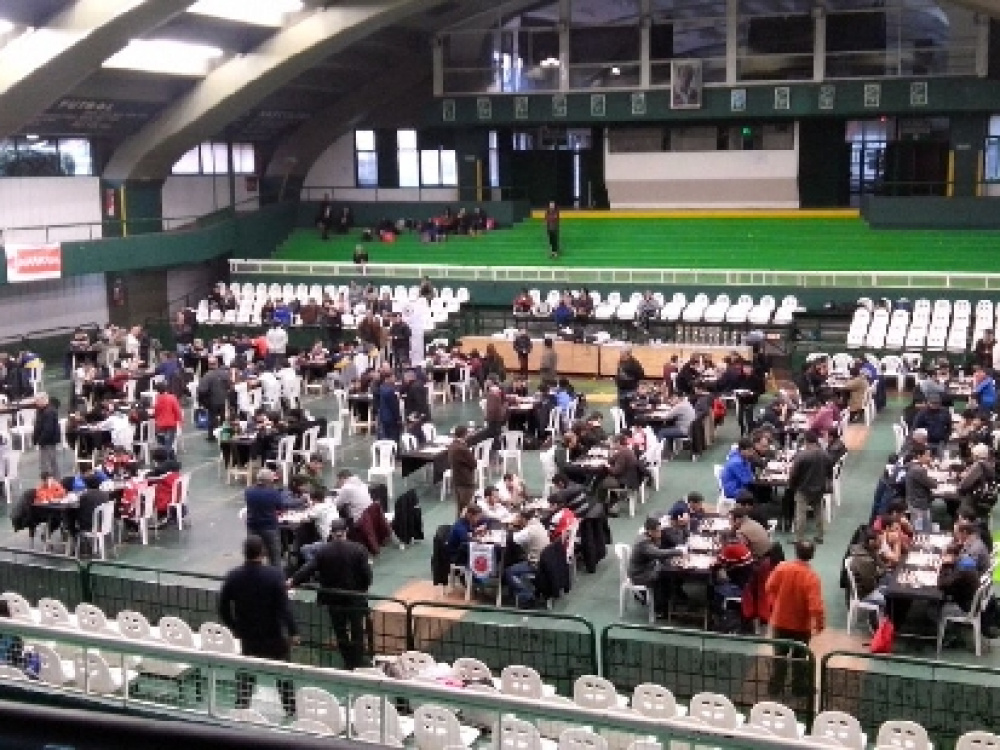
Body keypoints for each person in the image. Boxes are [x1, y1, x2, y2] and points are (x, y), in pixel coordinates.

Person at [219, 535, 299, 716]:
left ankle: (241, 707)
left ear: (244, 552)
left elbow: (223, 607)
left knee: (246, 673)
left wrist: (235, 627)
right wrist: (293, 632)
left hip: (248, 637)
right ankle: (290, 710)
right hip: (274, 636)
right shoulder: (275, 575)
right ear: (263, 552)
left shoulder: (234, 576)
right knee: (283, 674)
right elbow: (284, 607)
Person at [288, 518, 372, 669]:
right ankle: (358, 661)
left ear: (332, 533)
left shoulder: (323, 551)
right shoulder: (359, 549)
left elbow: (308, 569)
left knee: (340, 631)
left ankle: (348, 661)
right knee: (357, 629)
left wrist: (292, 581)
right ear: (346, 531)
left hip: (333, 599)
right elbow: (367, 575)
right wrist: (364, 589)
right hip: (355, 598)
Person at [766, 541, 824, 698]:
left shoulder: (782, 568)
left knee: (779, 657)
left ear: (796, 552)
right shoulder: (812, 577)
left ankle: (775, 689)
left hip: (780, 621)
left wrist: (779, 601)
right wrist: (819, 624)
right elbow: (816, 607)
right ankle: (798, 689)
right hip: (801, 626)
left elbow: (769, 587)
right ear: (812, 555)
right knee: (800, 658)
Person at [629, 517, 684, 615]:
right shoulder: (643, 542)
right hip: (640, 574)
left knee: (667, 569)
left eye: (660, 530)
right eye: (658, 531)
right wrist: (678, 551)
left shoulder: (649, 537)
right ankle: (660, 609)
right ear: (650, 531)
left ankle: (670, 598)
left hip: (646, 568)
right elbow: (658, 553)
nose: (660, 533)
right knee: (665, 575)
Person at [787, 430, 834, 544]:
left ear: (806, 441)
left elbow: (794, 474)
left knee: (801, 514)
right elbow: (830, 472)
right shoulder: (825, 454)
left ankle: (799, 538)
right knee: (819, 512)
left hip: (804, 489)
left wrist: (792, 486)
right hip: (819, 489)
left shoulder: (802, 456)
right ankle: (820, 536)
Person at [244, 468, 296, 568]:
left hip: (252, 527)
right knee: (274, 556)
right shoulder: (273, 493)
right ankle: (275, 575)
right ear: (269, 480)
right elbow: (281, 507)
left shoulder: (248, 491)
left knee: (253, 554)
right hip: (269, 528)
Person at [503, 511, 550, 608]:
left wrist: (511, 527)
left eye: (519, 518)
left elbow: (511, 539)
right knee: (518, 557)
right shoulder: (538, 524)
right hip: (544, 560)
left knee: (509, 571)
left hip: (536, 563)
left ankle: (527, 596)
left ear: (524, 519)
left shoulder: (529, 530)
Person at [905, 445, 937, 532]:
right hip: (919, 505)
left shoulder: (911, 465)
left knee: (917, 527)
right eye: (927, 455)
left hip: (913, 502)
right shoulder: (918, 470)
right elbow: (933, 485)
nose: (929, 458)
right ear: (919, 456)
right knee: (922, 530)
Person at [197, 357, 231, 440]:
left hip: (212, 401)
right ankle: (224, 436)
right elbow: (229, 386)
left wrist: (202, 401)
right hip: (223, 400)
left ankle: (211, 436)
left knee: (212, 418)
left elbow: (202, 390)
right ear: (217, 363)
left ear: (209, 365)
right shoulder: (225, 374)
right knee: (223, 419)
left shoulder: (207, 375)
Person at [448, 425, 478, 514]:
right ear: (465, 434)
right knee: (466, 509)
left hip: (456, 480)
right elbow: (474, 463)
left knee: (460, 508)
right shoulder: (462, 449)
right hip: (465, 481)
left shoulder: (452, 445)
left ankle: (459, 522)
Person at [615, 348, 645, 426]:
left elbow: (641, 375)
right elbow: (619, 372)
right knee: (621, 409)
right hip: (621, 389)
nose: (620, 354)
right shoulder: (621, 361)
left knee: (629, 409)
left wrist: (634, 382)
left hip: (630, 390)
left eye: (622, 353)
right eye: (620, 353)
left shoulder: (635, 364)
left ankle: (630, 425)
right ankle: (622, 425)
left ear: (628, 354)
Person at [33, 393, 60, 479]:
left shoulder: (49, 411)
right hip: (44, 441)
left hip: (48, 442)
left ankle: (54, 482)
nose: (36, 402)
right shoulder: (41, 410)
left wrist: (40, 441)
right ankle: (51, 482)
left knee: (49, 464)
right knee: (48, 463)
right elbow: (38, 426)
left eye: (37, 400)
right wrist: (35, 439)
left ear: (43, 400)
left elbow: (48, 429)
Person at [152, 381, 182, 458]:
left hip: (160, 425)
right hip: (171, 424)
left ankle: (164, 457)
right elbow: (177, 411)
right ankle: (167, 458)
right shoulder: (172, 397)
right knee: (168, 444)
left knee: (162, 444)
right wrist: (179, 422)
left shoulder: (157, 399)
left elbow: (156, 412)